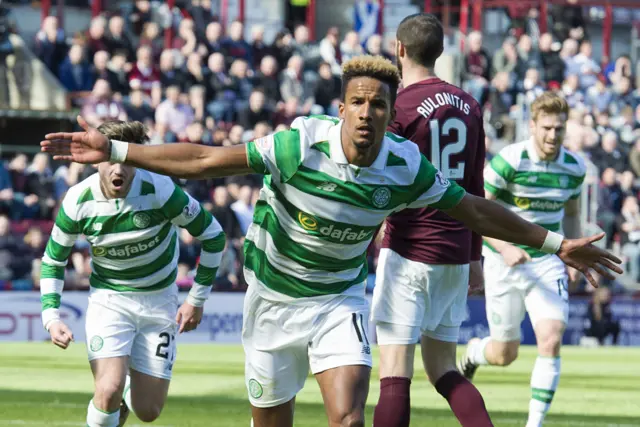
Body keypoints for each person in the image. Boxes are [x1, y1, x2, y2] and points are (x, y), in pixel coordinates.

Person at [41, 56, 621, 427]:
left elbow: (472, 208)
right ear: (341, 109)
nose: (367, 113)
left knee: (347, 416)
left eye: (379, 104)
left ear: (393, 115)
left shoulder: (405, 165)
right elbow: (204, 159)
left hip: (338, 302)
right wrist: (116, 150)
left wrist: (554, 243)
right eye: (358, 102)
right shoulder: (299, 146)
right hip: (271, 301)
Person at [39, 121, 226, 427]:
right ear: (96, 159)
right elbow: (53, 260)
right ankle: (114, 391)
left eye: (126, 161)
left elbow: (214, 236)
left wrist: (196, 299)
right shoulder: (77, 201)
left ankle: (127, 390)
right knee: (107, 389)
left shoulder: (160, 189)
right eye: (111, 160)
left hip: (159, 302)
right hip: (109, 301)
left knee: (148, 410)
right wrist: (52, 317)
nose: (119, 170)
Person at [371, 13, 492, 427]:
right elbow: (475, 184)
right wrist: (476, 254)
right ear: (441, 52)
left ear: (399, 49)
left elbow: (378, 175)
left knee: (393, 376)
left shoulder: (399, 105)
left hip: (409, 248)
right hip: (456, 252)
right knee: (444, 370)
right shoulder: (470, 105)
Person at [458, 92, 586, 427]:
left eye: (559, 128)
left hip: (546, 262)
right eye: (546, 128)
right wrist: (502, 246)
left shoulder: (575, 169)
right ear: (532, 126)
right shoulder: (509, 161)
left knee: (551, 337)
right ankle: (474, 352)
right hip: (504, 261)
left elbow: (571, 213)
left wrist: (571, 252)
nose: (552, 135)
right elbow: (475, 209)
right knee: (505, 353)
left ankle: (534, 424)